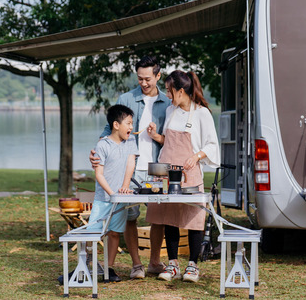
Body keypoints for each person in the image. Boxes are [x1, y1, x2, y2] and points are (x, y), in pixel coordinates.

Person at [91, 55, 170, 278]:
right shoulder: (125, 98)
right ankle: (137, 264)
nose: (143, 83)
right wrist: (97, 151)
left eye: (148, 79)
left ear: (158, 75)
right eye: (139, 79)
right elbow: (109, 131)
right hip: (130, 169)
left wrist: (157, 135)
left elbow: (170, 138)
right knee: (130, 216)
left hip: (158, 167)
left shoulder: (168, 103)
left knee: (158, 217)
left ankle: (155, 262)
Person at [144, 70, 219, 283]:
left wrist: (196, 156)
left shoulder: (202, 113)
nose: (167, 95)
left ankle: (193, 266)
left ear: (181, 90)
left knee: (194, 218)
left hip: (189, 173)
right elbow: (167, 141)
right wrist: (154, 135)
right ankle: (173, 264)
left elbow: (212, 145)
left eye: (169, 91)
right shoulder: (170, 110)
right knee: (169, 216)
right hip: (166, 172)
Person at [86, 104, 137, 283]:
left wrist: (124, 187)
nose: (131, 127)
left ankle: (108, 267)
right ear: (116, 125)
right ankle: (87, 264)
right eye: (128, 123)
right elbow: (98, 174)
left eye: (132, 123)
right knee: (93, 233)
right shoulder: (102, 145)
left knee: (115, 233)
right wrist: (112, 193)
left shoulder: (131, 142)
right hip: (103, 199)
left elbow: (131, 164)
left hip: (120, 198)